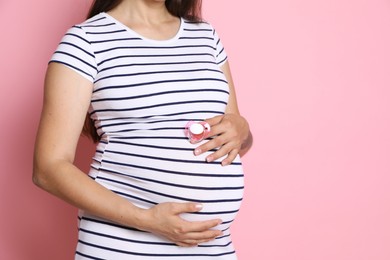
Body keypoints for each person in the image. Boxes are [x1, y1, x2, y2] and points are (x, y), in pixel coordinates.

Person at [33, 0, 253, 259]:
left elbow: (234, 141)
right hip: (124, 246)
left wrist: (242, 129)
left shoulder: (205, 36)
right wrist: (145, 219)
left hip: (213, 247)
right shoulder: (86, 41)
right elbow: (48, 168)